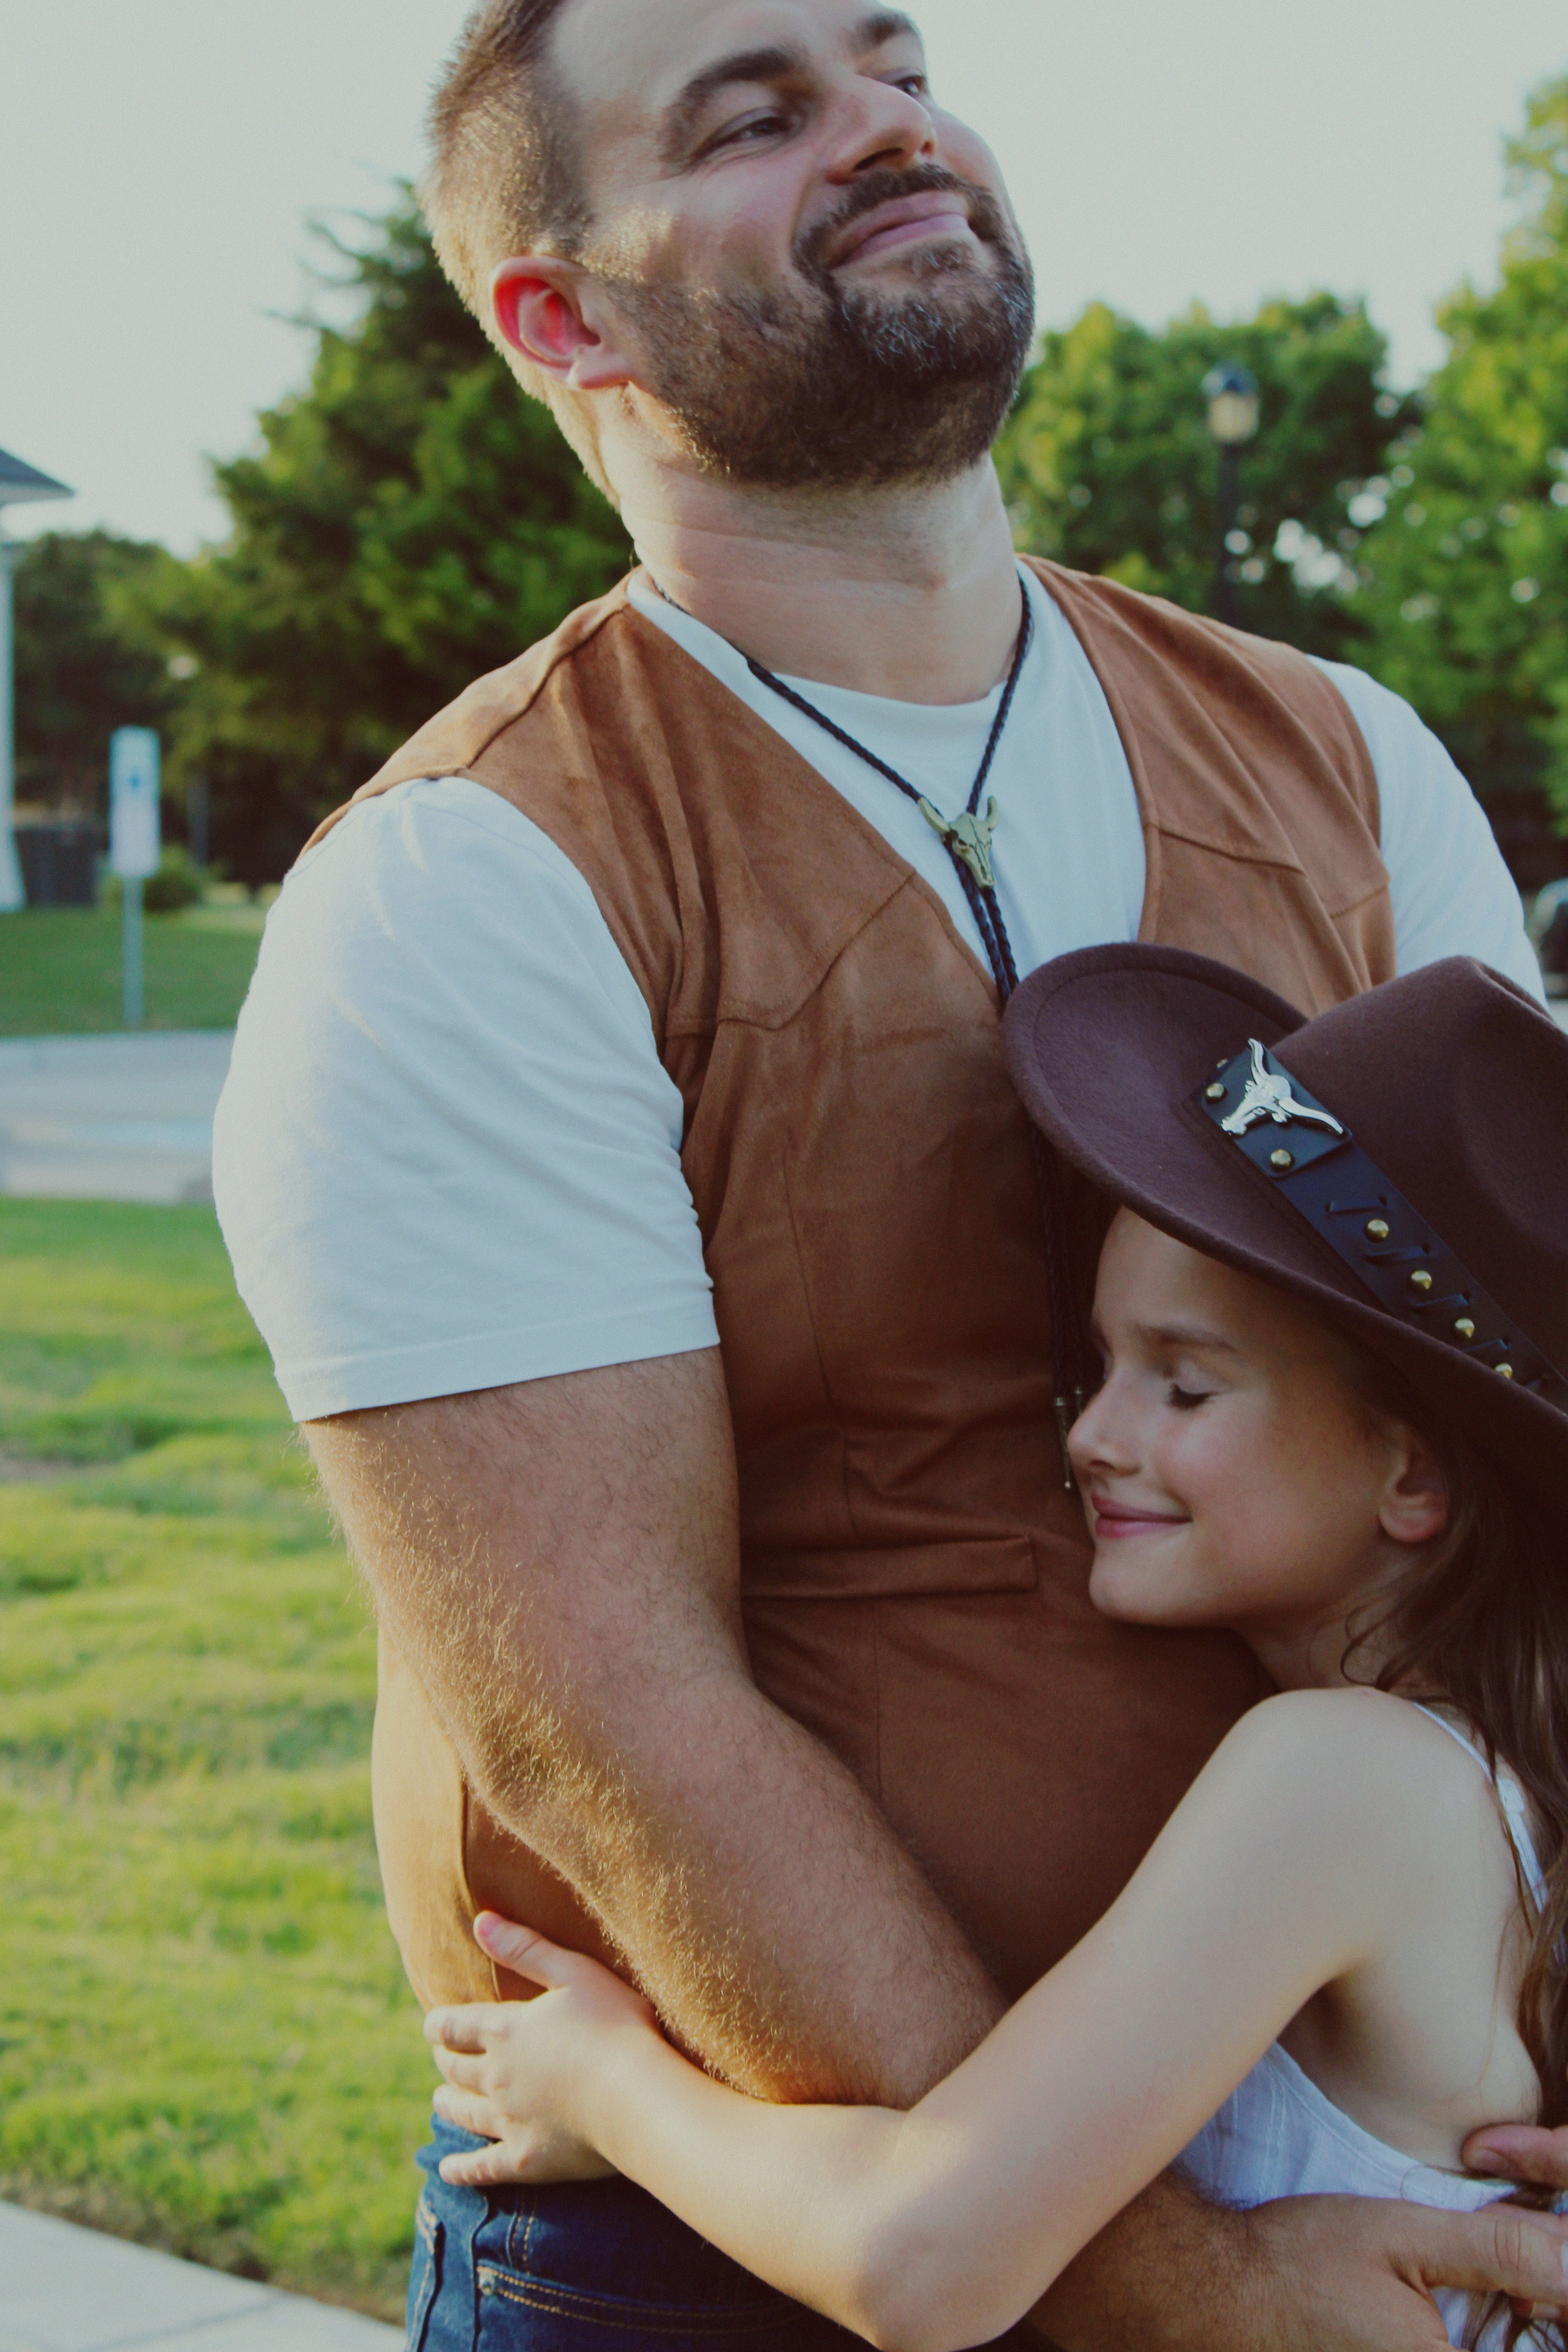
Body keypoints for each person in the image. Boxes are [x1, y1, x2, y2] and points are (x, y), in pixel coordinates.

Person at [211, 0, 1568, 2343]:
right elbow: (606, 1718)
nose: (889, 128)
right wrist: (1177, 2285)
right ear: (565, 312)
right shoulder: (472, 881)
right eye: (758, 115)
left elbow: (1547, 1436)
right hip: (749, 2238)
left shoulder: (1343, 759)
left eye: (897, 61)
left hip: (1364, 2156)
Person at [418, 949, 1568, 2352]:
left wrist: (608, 2089)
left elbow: (921, 2259)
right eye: (1096, 1367)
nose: (1090, 1435)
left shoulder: (1342, 1775)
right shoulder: (1499, 1776)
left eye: (1185, 1383)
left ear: (1411, 1477)